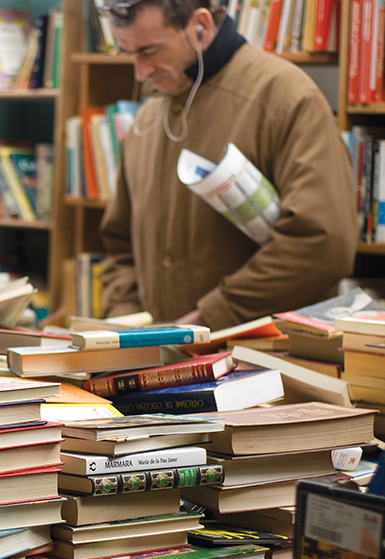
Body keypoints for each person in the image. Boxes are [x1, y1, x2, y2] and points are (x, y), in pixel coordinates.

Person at [98, 0, 357, 330]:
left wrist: (215, 314)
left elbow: (322, 244)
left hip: (263, 361)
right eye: (128, 52)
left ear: (200, 25)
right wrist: (125, 321)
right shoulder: (147, 119)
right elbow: (119, 246)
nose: (140, 72)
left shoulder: (287, 98)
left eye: (149, 50)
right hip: (156, 359)